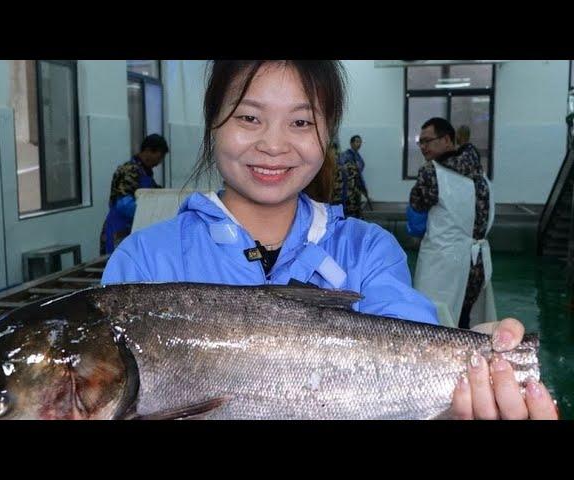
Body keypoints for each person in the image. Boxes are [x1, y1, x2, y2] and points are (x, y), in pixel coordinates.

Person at [103, 61, 557, 420]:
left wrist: (472, 369)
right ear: (213, 123)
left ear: (328, 134)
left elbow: (409, 344)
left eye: (301, 122)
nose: (274, 144)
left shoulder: (369, 250)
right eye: (249, 117)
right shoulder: (144, 262)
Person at [407, 118, 495, 331]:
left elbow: (416, 217)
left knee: (431, 324)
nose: (423, 147)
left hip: (442, 266)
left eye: (427, 141)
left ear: (447, 139)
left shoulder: (432, 172)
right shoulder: (478, 172)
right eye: (420, 142)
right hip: (477, 265)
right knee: (466, 322)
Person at [100, 134, 169, 255]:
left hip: (132, 229)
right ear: (148, 151)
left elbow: (154, 194)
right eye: (160, 156)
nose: (160, 162)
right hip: (119, 229)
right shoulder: (130, 170)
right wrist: (152, 214)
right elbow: (123, 204)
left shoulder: (145, 173)